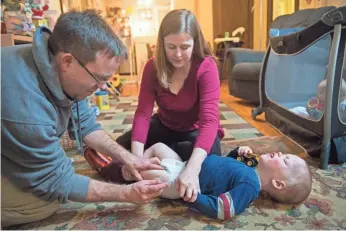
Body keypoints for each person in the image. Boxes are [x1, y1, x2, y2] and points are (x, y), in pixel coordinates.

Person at [1, 10, 168, 227]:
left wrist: (130, 158)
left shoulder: (58, 66)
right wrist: (126, 194)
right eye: (99, 79)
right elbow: (58, 181)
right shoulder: (27, 112)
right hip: (15, 122)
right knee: (43, 201)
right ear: (67, 61)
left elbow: (86, 124)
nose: (103, 87)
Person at [115, 9, 224, 203]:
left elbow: (209, 122)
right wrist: (137, 160)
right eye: (171, 47)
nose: (178, 54)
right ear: (162, 43)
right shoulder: (152, 67)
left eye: (185, 46)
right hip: (164, 126)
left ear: (195, 43)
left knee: (209, 166)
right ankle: (143, 164)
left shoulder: (206, 67)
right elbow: (143, 114)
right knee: (122, 150)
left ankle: (166, 160)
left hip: (196, 131)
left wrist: (192, 168)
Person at [86, 142, 312, 220]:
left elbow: (225, 209)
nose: (280, 155)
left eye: (285, 161)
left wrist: (192, 195)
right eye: (285, 155)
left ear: (279, 184)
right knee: (158, 148)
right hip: (184, 165)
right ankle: (130, 164)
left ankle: (112, 170)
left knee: (151, 172)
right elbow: (225, 167)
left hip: (177, 183)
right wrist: (236, 153)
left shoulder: (250, 187)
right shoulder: (249, 167)